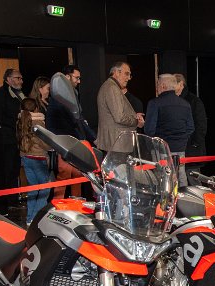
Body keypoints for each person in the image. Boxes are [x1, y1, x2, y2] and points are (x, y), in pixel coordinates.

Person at [46, 65, 92, 199]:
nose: (79, 81)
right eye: (76, 78)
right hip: (64, 143)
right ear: (66, 77)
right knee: (64, 175)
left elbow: (79, 119)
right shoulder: (58, 96)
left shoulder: (72, 94)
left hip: (74, 142)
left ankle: (76, 204)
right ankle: (58, 203)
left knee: (77, 175)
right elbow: (69, 121)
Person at [144, 74, 194, 187]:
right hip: (180, 148)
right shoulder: (185, 104)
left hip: (161, 149)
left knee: (163, 179)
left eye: (157, 84)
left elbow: (149, 130)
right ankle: (183, 197)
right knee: (181, 176)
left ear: (163, 86)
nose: (156, 87)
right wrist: (180, 139)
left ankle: (166, 199)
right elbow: (190, 127)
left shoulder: (155, 103)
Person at [17, 98, 52, 225]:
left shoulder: (20, 121)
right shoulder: (38, 123)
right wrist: (52, 146)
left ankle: (29, 219)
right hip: (39, 158)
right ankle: (35, 217)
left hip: (26, 158)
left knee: (33, 189)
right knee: (45, 189)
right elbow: (43, 142)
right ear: (36, 108)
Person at [96, 62, 139, 153]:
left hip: (115, 143)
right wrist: (136, 121)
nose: (129, 78)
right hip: (117, 144)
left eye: (129, 75)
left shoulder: (109, 86)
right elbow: (119, 118)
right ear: (116, 72)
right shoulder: (112, 88)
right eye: (126, 74)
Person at [174, 73, 207, 181]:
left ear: (181, 84)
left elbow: (201, 125)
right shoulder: (173, 100)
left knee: (194, 181)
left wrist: (195, 143)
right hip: (178, 149)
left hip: (192, 149)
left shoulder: (194, 101)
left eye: (173, 83)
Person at [0, 69, 25, 191]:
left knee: (15, 169)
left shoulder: (20, 94)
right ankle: (10, 197)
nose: (21, 81)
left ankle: (14, 196)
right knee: (9, 170)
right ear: (8, 79)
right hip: (8, 139)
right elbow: (2, 116)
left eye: (21, 78)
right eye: (18, 78)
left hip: (18, 138)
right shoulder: (1, 94)